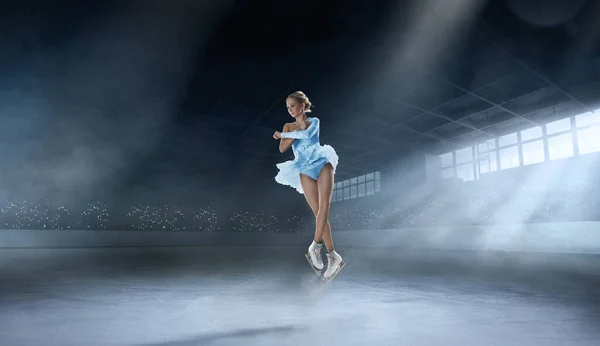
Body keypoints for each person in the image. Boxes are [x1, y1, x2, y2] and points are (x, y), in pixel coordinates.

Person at [272, 91, 344, 282]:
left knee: (325, 208)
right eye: (287, 107)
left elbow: (308, 133)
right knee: (318, 212)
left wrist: (285, 135)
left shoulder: (315, 121)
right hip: (304, 170)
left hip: (322, 164)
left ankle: (315, 246)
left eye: (293, 106)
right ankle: (333, 256)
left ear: (302, 106)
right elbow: (282, 148)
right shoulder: (288, 125)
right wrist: (290, 135)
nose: (290, 110)